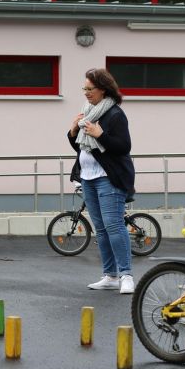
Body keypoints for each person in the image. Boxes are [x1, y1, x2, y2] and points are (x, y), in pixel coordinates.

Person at [67, 68, 136, 294]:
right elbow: (81, 148)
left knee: (114, 225)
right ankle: (110, 275)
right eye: (84, 89)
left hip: (109, 178)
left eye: (90, 89)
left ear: (103, 89)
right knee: (101, 229)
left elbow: (123, 147)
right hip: (88, 177)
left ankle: (126, 275)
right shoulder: (89, 113)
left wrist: (100, 135)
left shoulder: (115, 114)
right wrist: (72, 132)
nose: (86, 93)